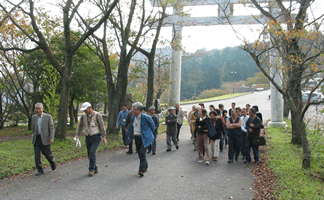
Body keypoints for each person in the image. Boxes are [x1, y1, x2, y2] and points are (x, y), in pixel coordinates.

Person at [75, 102, 108, 176]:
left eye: (86, 110)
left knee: (92, 152)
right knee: (89, 153)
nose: (85, 111)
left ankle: (91, 169)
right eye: (84, 110)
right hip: (88, 136)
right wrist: (77, 135)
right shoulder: (83, 116)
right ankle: (95, 167)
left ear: (90, 108)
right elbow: (80, 126)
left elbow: (102, 126)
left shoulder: (97, 115)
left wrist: (104, 136)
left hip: (96, 136)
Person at [128, 102, 155, 176]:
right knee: (140, 153)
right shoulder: (133, 117)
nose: (132, 110)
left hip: (145, 138)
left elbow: (153, 126)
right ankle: (145, 165)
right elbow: (132, 127)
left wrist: (149, 134)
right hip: (137, 137)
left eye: (134, 109)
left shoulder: (146, 117)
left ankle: (141, 169)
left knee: (142, 152)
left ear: (139, 110)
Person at [32, 103, 56, 176]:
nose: (38, 110)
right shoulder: (33, 117)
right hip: (37, 138)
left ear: (42, 109)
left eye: (39, 108)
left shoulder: (48, 117)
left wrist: (51, 137)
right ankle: (39, 170)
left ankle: (52, 162)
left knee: (48, 154)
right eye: (36, 108)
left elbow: (51, 128)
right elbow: (33, 128)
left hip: (45, 138)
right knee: (37, 155)